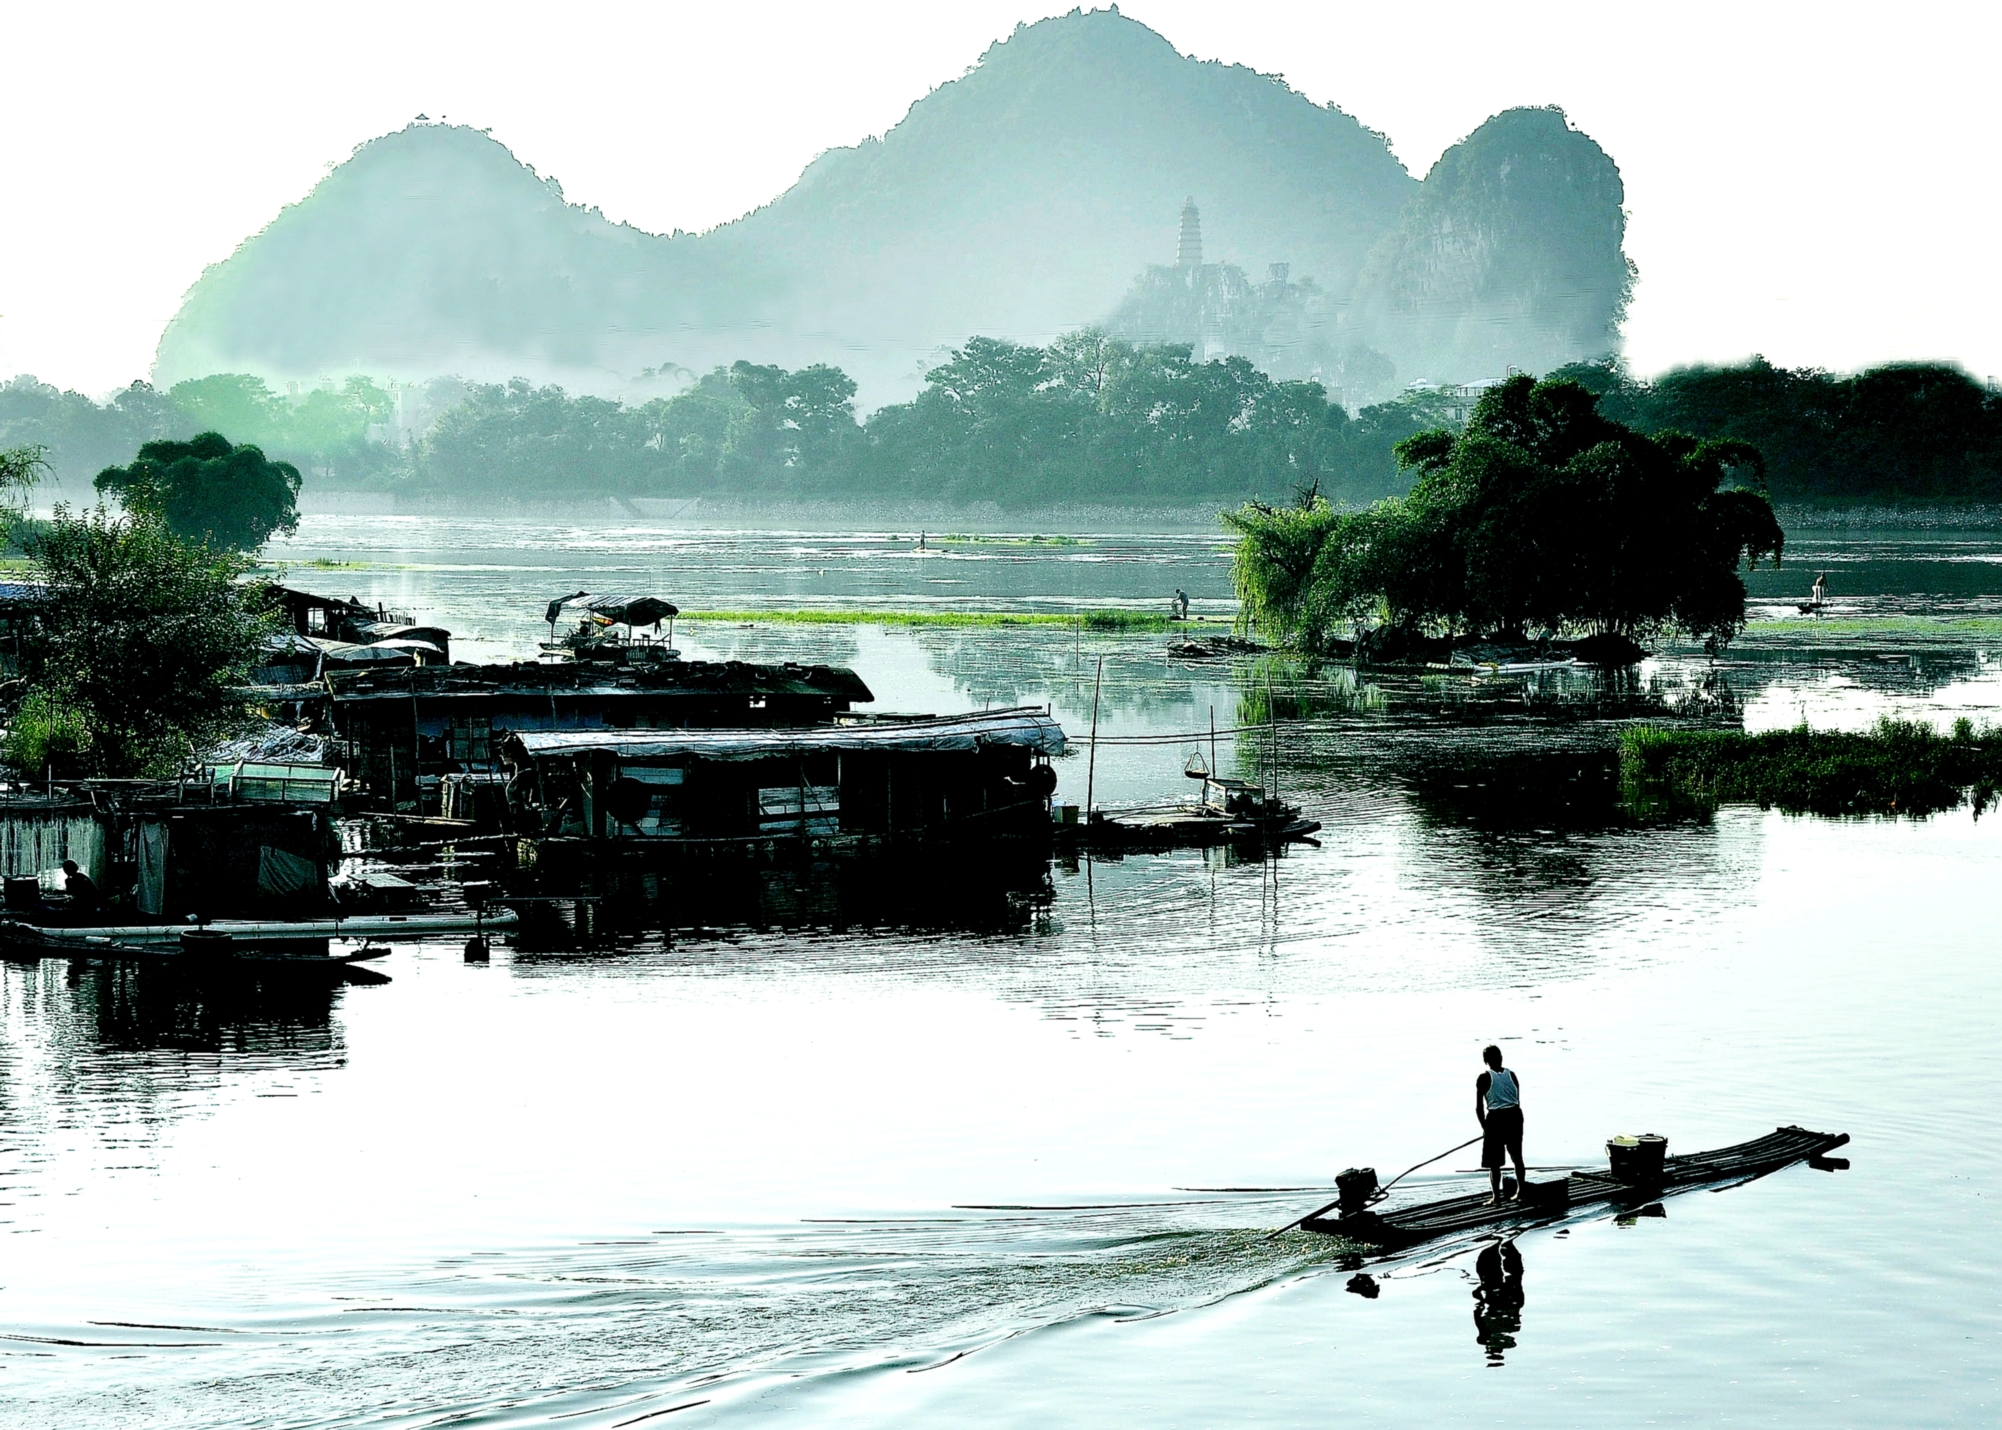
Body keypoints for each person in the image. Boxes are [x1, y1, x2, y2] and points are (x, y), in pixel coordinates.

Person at [1476, 1044, 1527, 1205]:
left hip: (1497, 1118)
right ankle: (1521, 1191)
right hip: (1515, 1116)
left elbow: (1479, 1108)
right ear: (1501, 1058)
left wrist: (1485, 1127)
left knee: (1494, 1163)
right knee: (1517, 1157)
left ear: (1485, 1060)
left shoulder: (1484, 1077)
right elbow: (1515, 1099)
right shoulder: (1511, 1075)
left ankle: (1496, 1197)